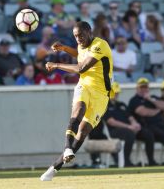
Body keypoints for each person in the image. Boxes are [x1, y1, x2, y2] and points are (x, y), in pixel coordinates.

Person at [40, 21, 113, 181]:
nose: (78, 39)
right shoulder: (83, 44)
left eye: (80, 35)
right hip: (85, 85)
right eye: (75, 36)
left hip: (102, 95)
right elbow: (80, 54)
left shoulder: (100, 45)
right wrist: (65, 48)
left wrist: (56, 64)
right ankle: (67, 149)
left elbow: (81, 67)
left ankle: (55, 167)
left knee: (84, 130)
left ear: (89, 32)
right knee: (78, 110)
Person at [129, 78, 164, 165]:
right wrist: (157, 110)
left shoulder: (153, 97)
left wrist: (151, 100)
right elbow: (143, 112)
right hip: (147, 126)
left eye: (146, 87)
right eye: (142, 87)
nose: (144, 89)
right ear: (137, 88)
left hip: (161, 123)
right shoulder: (134, 100)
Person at [103, 82, 141, 167]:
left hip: (127, 129)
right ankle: (125, 161)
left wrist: (135, 124)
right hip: (113, 131)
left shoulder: (121, 104)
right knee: (129, 134)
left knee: (143, 132)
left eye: (117, 93)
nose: (116, 95)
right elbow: (111, 122)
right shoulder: (105, 105)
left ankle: (127, 160)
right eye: (114, 93)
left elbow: (130, 117)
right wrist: (129, 127)